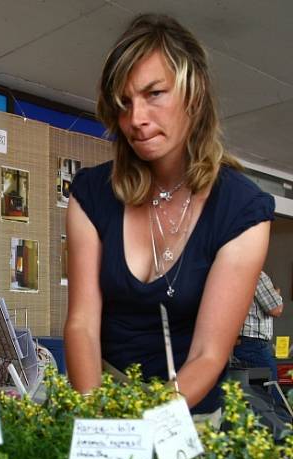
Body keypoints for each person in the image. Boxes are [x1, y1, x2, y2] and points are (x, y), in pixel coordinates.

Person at [64, 13, 275, 414]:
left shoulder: (241, 209)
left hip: (186, 409)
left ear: (193, 94)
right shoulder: (92, 193)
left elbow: (209, 354)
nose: (136, 119)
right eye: (124, 103)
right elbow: (82, 325)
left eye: (154, 93)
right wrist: (98, 420)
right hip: (101, 396)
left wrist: (145, 422)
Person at [232, 271, 283, 380]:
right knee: (271, 391)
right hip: (254, 346)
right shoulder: (257, 274)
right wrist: (276, 294)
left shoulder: (233, 275)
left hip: (241, 343)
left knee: (250, 392)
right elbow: (276, 310)